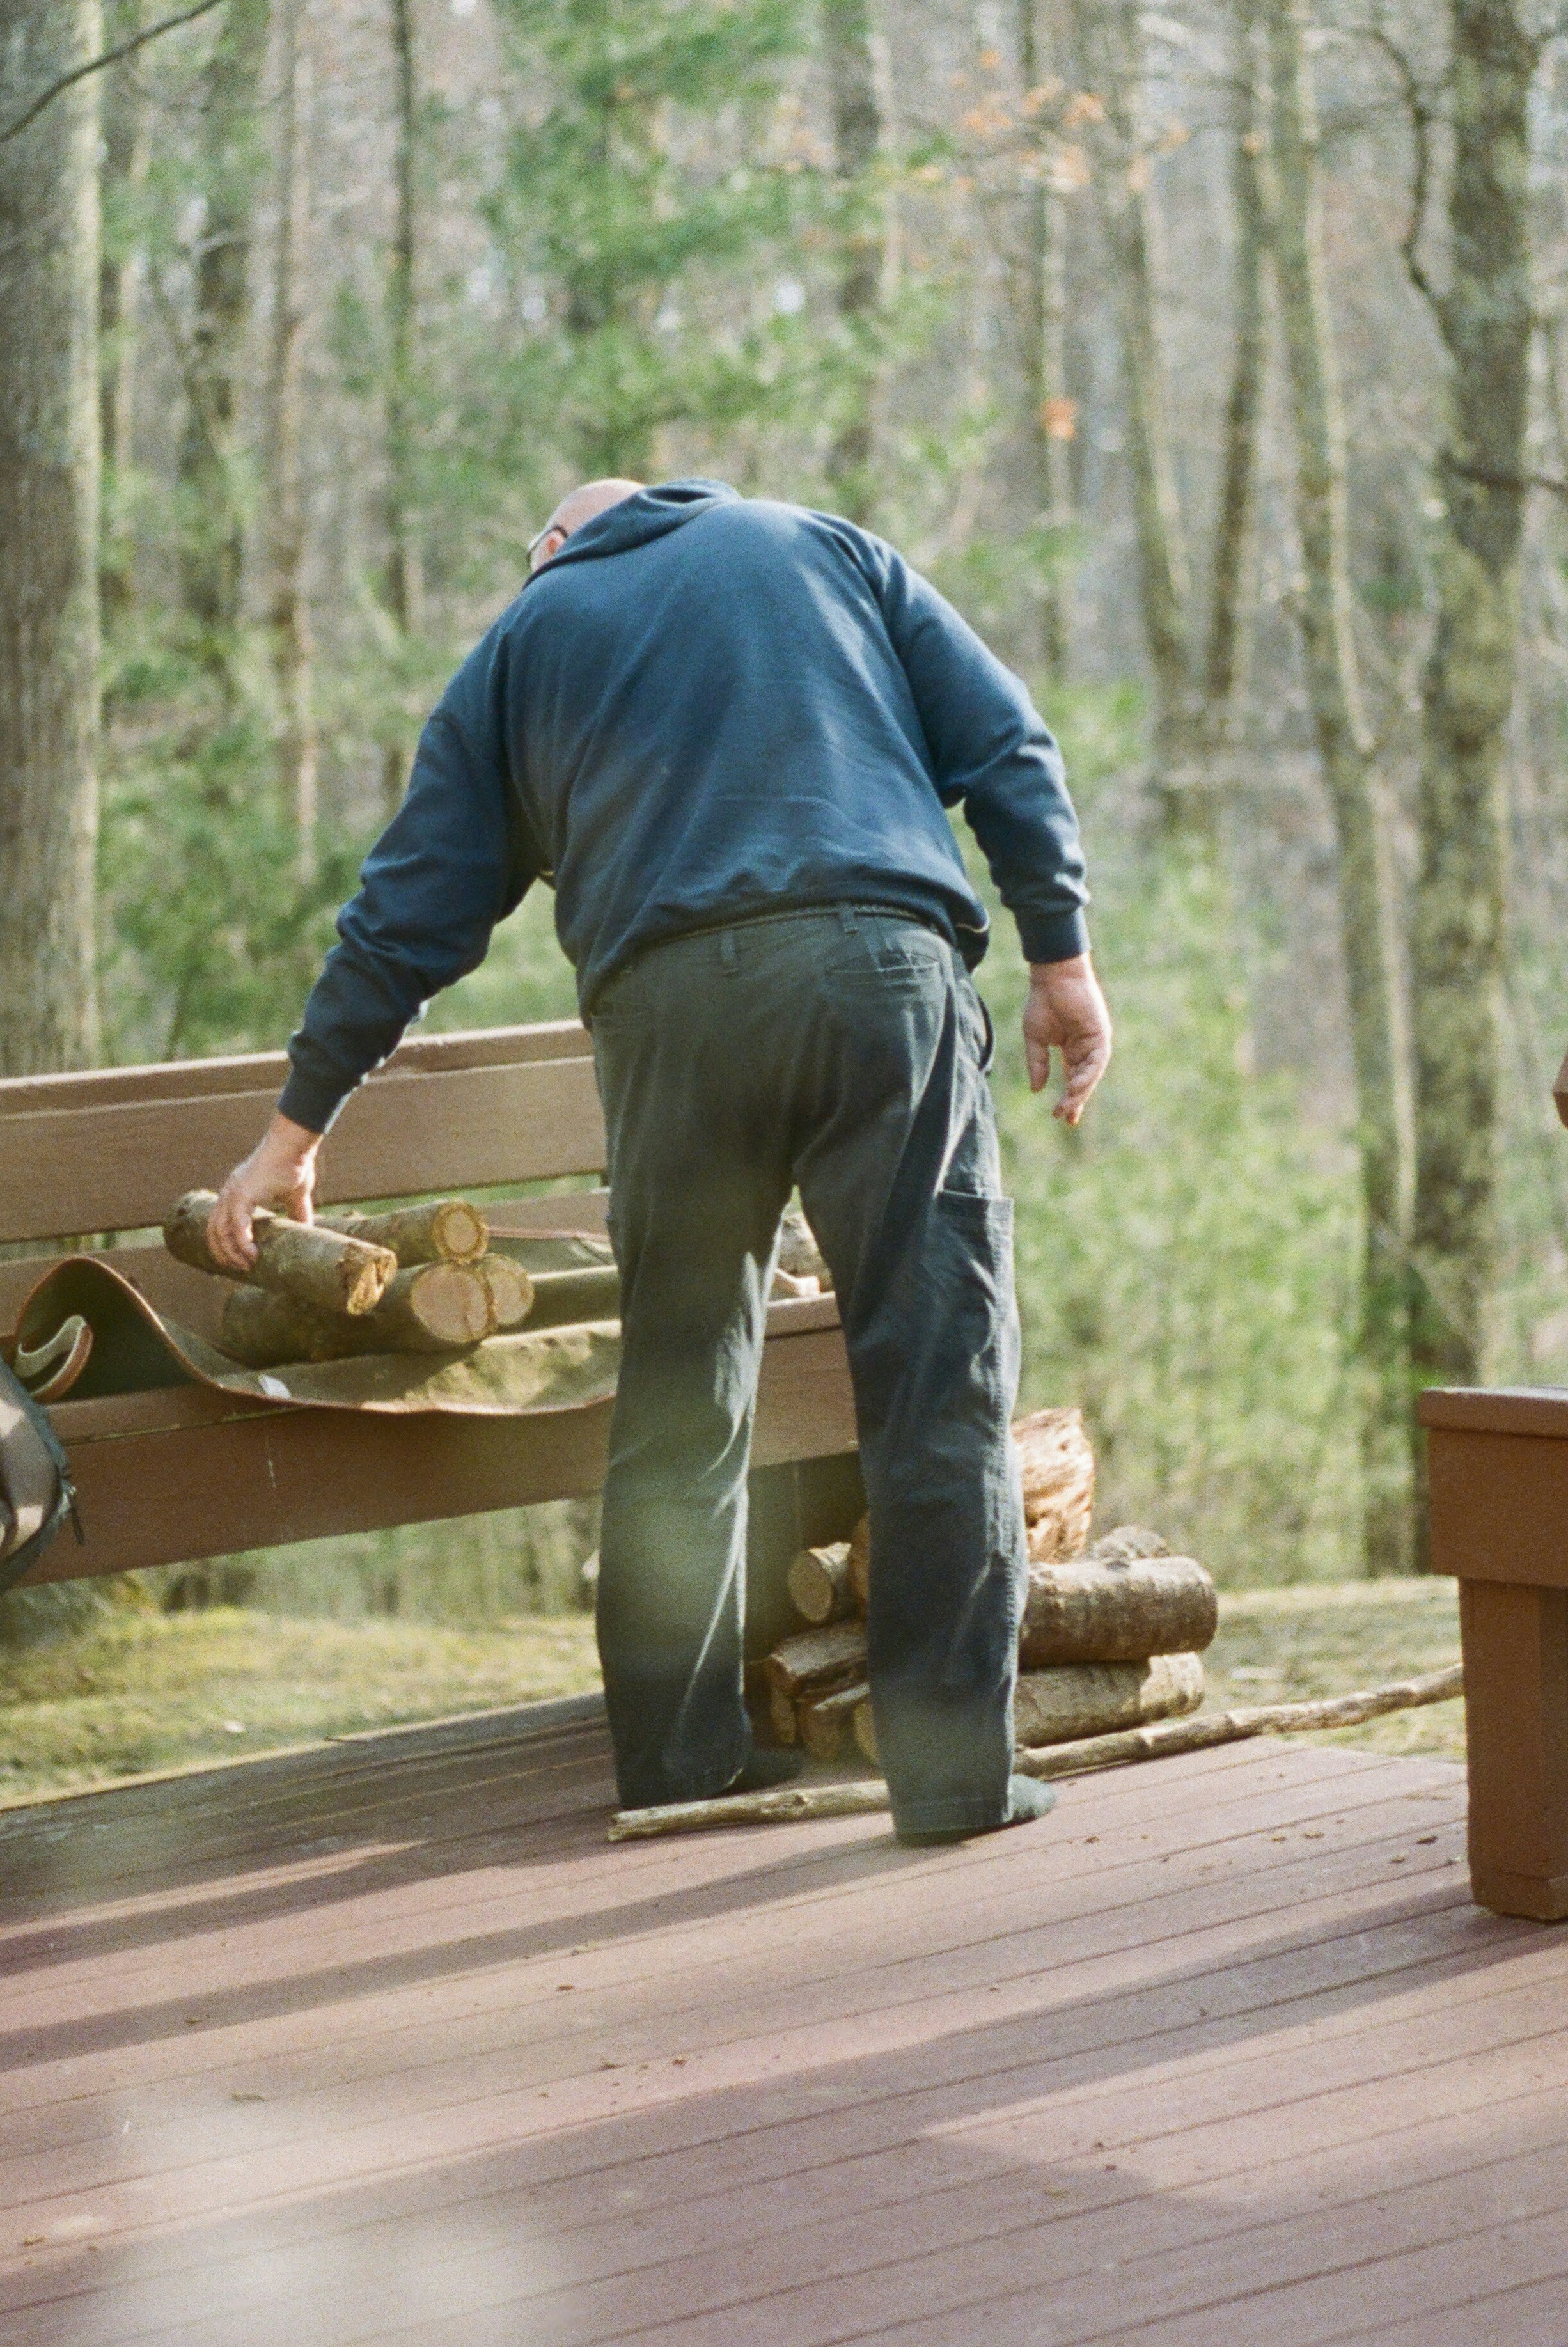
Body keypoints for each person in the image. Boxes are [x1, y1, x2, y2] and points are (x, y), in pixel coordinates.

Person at [196, 476, 1113, 1844]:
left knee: (685, 1393)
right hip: (881, 976)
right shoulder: (822, 547)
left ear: (554, 544)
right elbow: (1006, 741)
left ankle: (680, 1764)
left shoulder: (525, 639)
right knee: (936, 1372)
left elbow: (407, 912)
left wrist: (295, 1129)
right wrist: (1061, 955)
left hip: (674, 1016)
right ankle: (952, 1777)